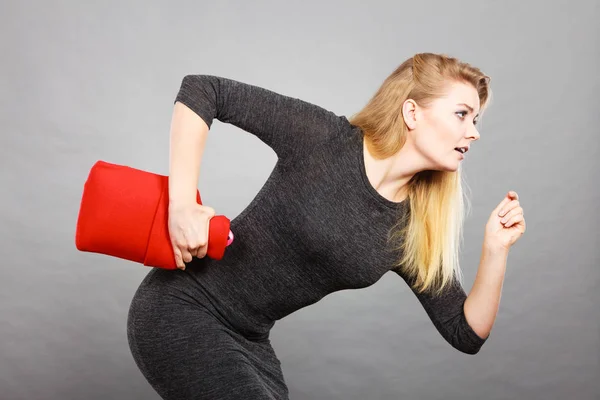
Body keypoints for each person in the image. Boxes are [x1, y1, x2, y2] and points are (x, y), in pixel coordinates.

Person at [126, 52, 526, 399]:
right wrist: (181, 206)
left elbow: (465, 332)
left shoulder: (410, 230)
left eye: (474, 119)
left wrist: (495, 250)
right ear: (412, 112)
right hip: (181, 308)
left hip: (249, 342)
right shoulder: (325, 139)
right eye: (462, 114)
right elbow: (204, 89)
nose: (473, 132)